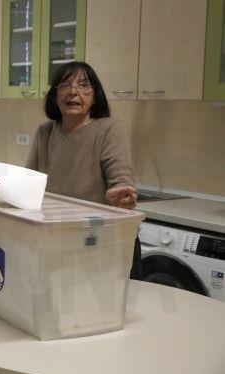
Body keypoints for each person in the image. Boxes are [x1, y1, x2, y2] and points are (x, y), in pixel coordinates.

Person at [26, 61, 142, 279]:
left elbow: (121, 179)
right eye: (64, 86)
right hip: (58, 238)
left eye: (83, 85)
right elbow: (29, 184)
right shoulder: (45, 132)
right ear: (54, 95)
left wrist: (121, 195)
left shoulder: (108, 128)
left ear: (95, 96)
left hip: (100, 241)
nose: (73, 92)